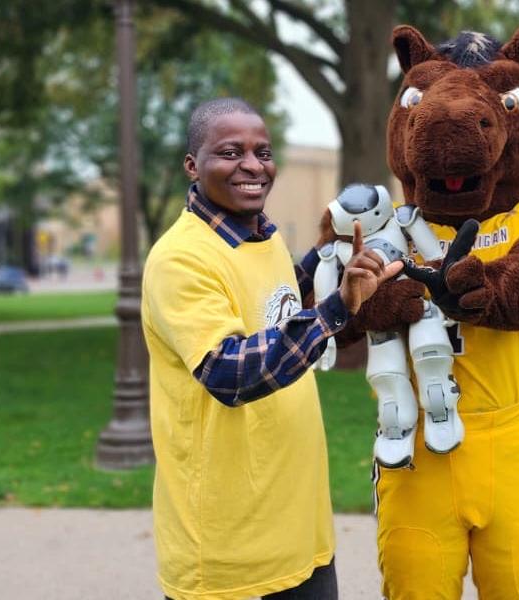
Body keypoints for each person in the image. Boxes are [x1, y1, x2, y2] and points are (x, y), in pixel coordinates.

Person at [141, 97, 401, 600]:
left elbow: (277, 306)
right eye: (231, 152)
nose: (253, 166)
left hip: (301, 535)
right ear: (193, 166)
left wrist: (330, 255)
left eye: (263, 152)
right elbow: (229, 372)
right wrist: (334, 310)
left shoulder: (261, 238)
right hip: (228, 555)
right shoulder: (181, 259)